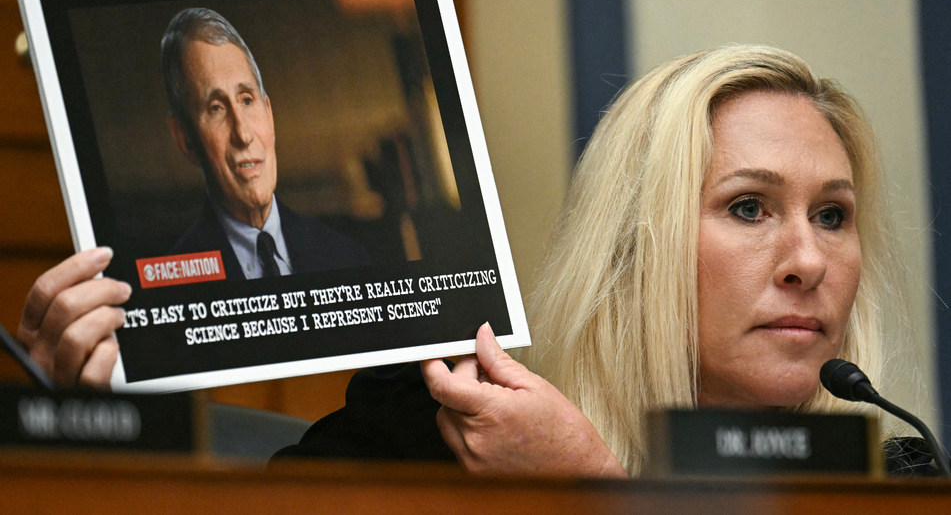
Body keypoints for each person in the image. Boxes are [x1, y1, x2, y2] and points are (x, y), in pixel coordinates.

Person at [15, 45, 925, 474]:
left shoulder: (905, 482)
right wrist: (95, 439)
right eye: (749, 208)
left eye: (834, 215)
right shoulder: (444, 434)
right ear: (627, 250)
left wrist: (586, 497)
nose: (807, 257)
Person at [160, 7, 368, 279]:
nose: (243, 135)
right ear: (185, 139)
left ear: (269, 114)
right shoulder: (174, 285)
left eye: (247, 100)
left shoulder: (348, 259)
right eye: (216, 108)